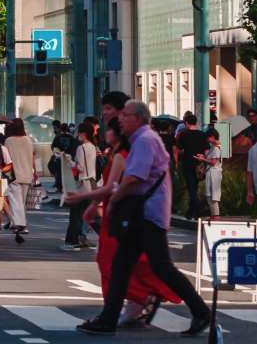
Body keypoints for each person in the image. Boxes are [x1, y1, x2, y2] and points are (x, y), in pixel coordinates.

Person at [76, 100, 210, 336]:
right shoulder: (143, 140)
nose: (120, 119)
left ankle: (201, 312)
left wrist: (115, 200)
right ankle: (108, 319)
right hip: (145, 214)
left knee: (161, 267)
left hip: (147, 215)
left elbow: (135, 177)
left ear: (137, 118)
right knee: (123, 266)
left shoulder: (145, 140)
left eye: (125, 115)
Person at [63, 123, 100, 251]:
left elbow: (80, 168)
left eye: (79, 132)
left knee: (76, 213)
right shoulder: (92, 147)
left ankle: (74, 239)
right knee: (85, 212)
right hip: (92, 183)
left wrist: (69, 161)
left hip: (82, 184)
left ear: (84, 134)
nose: (77, 135)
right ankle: (80, 238)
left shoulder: (81, 148)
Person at [2, 119, 39, 242]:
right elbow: (33, 157)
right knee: (21, 202)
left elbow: (6, 158)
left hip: (14, 174)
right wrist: (35, 172)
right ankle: (23, 225)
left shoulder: (8, 141)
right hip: (27, 174)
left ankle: (18, 224)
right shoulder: (29, 140)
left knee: (15, 201)